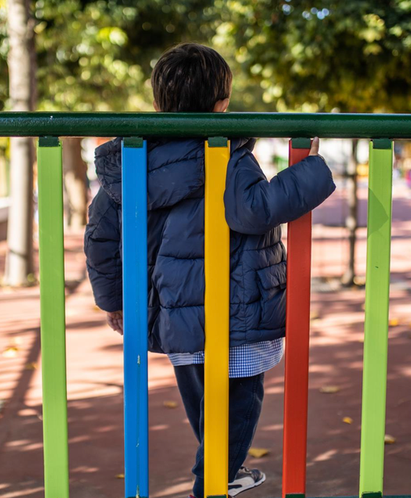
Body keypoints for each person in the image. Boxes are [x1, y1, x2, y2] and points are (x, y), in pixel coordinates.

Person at [83, 43, 336, 498]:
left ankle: (220, 469)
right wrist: (312, 172)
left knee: (201, 396)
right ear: (222, 105)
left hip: (175, 314)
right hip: (235, 309)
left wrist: (114, 301)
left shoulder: (133, 165)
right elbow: (255, 211)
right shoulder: (227, 155)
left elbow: (101, 238)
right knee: (241, 397)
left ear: (158, 104)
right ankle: (215, 480)